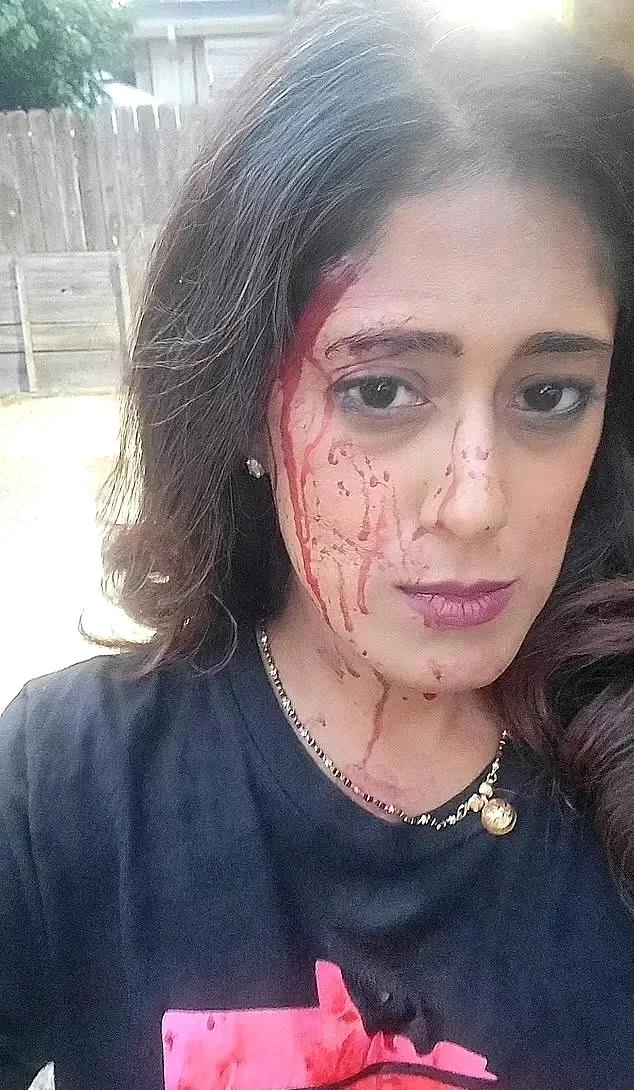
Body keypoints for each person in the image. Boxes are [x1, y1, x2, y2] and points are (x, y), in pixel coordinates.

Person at [1, 2, 633, 1088]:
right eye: (381, 391)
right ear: (246, 406)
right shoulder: (70, 784)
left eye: (548, 395)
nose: (476, 503)